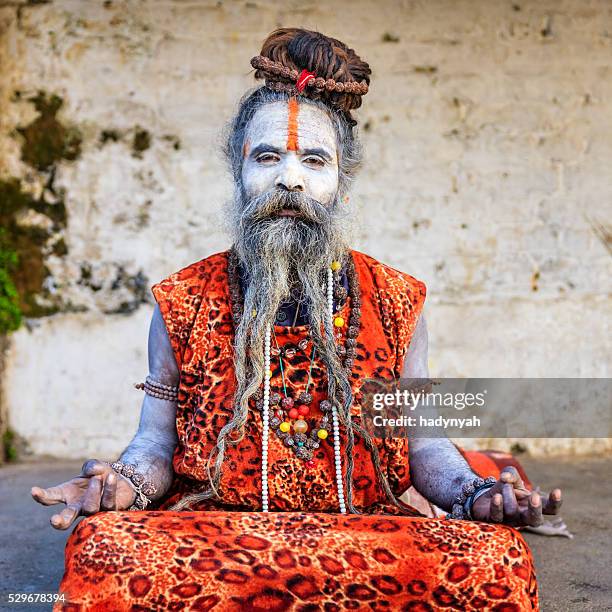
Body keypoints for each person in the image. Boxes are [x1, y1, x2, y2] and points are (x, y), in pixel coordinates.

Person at [32, 28, 562, 610]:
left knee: (497, 558)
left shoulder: (397, 299)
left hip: (366, 534)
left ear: (343, 184)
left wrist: (474, 493)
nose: (291, 178)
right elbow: (153, 445)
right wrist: (122, 485)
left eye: (314, 159)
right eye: (266, 157)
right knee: (103, 551)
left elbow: (425, 447)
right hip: (217, 535)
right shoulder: (181, 299)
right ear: (238, 175)